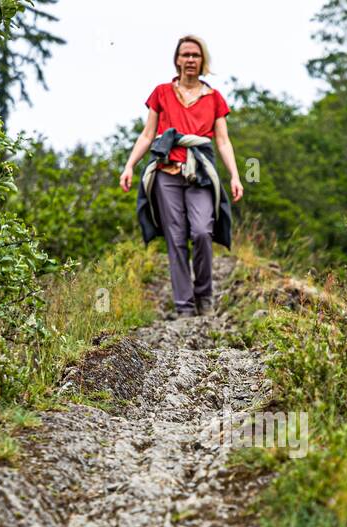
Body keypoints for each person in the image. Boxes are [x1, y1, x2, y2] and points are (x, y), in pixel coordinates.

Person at [120, 35, 243, 319]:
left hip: (199, 172)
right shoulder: (161, 92)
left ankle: (204, 296)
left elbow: (223, 141)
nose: (190, 60)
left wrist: (235, 176)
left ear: (203, 61)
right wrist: (129, 166)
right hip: (166, 173)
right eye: (185, 55)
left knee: (201, 232)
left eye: (195, 56)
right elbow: (148, 134)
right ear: (177, 60)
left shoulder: (214, 98)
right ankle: (184, 307)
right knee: (175, 237)